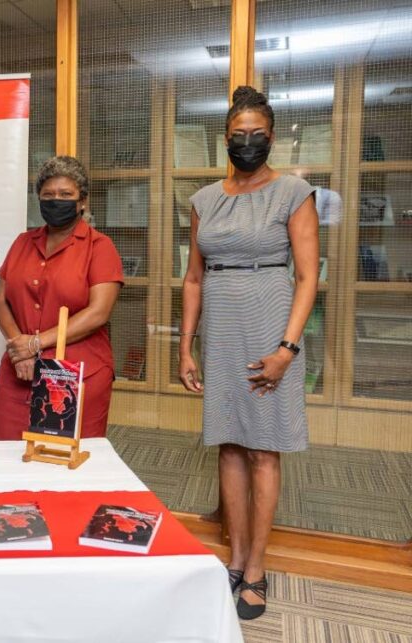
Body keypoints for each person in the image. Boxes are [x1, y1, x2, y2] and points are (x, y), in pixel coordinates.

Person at [180, 86, 319, 620]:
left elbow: (307, 277)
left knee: (263, 447)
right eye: (238, 136)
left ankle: (256, 566)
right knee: (229, 445)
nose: (247, 144)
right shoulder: (203, 201)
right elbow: (193, 279)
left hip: (270, 325)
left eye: (256, 136)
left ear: (272, 137)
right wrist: (186, 346)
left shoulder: (292, 193)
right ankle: (234, 557)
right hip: (221, 328)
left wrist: (288, 346)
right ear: (225, 140)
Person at [0, 156, 123, 440]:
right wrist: (21, 350)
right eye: (48, 195)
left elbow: (98, 313)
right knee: (7, 459)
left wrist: (36, 344)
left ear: (82, 201)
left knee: (67, 467)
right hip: (20, 371)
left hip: (77, 375)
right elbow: (1, 302)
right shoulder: (22, 242)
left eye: (66, 195)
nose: (56, 201)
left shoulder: (100, 247)